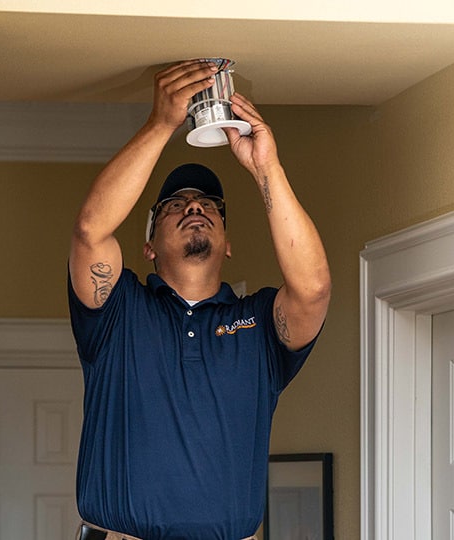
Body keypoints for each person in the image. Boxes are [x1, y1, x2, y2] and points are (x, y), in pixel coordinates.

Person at [68, 60, 331, 540]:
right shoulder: (118, 311)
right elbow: (91, 230)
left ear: (228, 243)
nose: (195, 207)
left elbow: (312, 289)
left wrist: (265, 166)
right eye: (175, 205)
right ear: (148, 247)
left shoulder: (258, 325)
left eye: (209, 206)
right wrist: (161, 124)